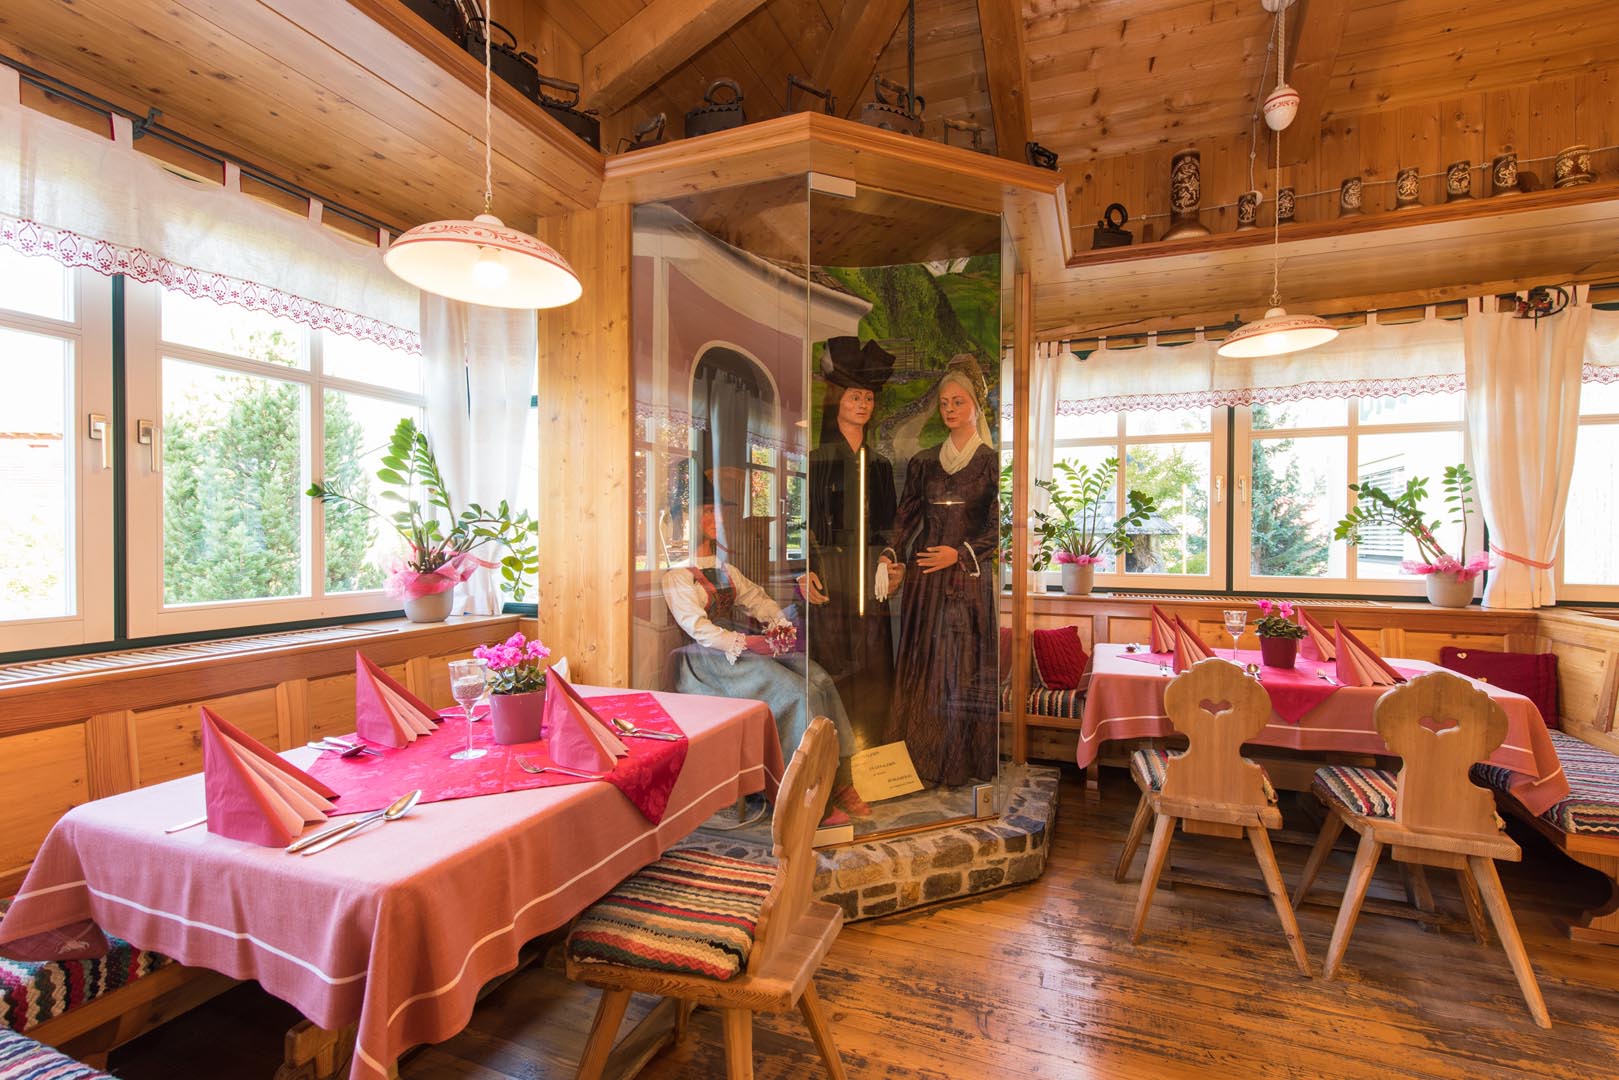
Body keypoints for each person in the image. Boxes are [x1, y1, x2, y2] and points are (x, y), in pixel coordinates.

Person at [662, 480, 859, 801]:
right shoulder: (677, 576)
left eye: (718, 511)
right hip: (706, 661)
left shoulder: (724, 569)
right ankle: (800, 791)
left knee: (819, 678)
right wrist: (751, 643)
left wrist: (778, 624)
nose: (717, 518)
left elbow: (756, 598)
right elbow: (699, 629)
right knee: (796, 692)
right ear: (687, 518)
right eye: (708, 511)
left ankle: (839, 777)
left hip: (737, 648)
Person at [882, 355, 1000, 787]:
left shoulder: (991, 463)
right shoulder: (923, 463)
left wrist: (960, 554)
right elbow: (905, 517)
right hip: (924, 584)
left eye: (958, 401)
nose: (949, 409)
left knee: (959, 668)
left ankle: (957, 764)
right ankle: (915, 762)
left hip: (966, 582)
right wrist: (889, 553)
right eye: (944, 402)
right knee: (923, 666)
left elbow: (999, 528)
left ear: (975, 406)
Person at [803, 337, 899, 815]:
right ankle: (834, 778)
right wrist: (803, 571)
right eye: (853, 396)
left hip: (870, 580)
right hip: (829, 578)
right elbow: (799, 524)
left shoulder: (880, 465)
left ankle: (871, 770)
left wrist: (890, 560)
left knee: (876, 669)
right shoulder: (817, 459)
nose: (862, 404)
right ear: (837, 400)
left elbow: (892, 526)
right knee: (834, 670)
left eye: (868, 397)